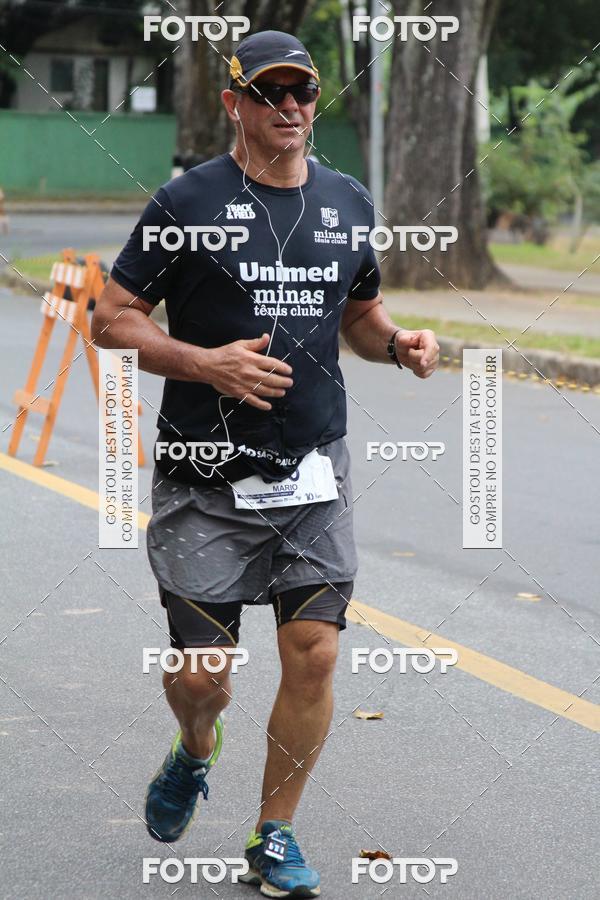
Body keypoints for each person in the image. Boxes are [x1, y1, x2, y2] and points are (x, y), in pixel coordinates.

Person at [92, 29, 439, 899]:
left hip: (312, 473)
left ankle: (272, 834)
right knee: (203, 676)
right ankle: (194, 749)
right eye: (271, 94)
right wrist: (204, 361)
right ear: (234, 103)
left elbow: (359, 315)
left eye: (305, 95)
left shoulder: (348, 200)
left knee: (314, 653)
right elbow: (112, 317)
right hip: (206, 478)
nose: (291, 110)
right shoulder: (187, 201)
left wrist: (398, 344)